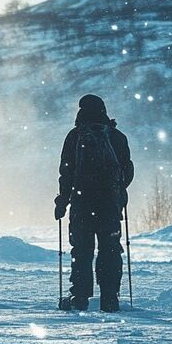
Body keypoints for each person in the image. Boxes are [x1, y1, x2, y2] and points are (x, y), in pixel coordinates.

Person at [54, 94, 134, 312]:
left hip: (82, 201)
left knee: (81, 249)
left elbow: (66, 172)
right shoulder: (116, 137)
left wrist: (63, 200)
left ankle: (79, 296)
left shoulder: (75, 136)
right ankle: (110, 297)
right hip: (109, 203)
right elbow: (127, 170)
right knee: (110, 248)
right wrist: (118, 191)